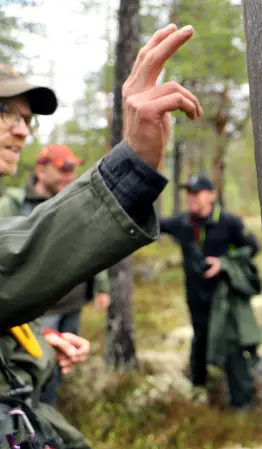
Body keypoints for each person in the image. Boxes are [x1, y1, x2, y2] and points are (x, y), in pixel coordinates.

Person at [0, 23, 202, 449]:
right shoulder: (13, 204)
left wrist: (37, 344)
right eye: (6, 112)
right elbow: (11, 264)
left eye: (26, 120)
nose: (22, 131)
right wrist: (130, 168)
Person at [0, 144, 112, 408]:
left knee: (62, 361)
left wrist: (102, 285)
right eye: (64, 169)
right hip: (35, 312)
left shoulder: (72, 204)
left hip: (72, 304)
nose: (70, 176)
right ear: (41, 170)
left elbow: (92, 245)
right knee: (33, 365)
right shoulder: (14, 206)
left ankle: (49, 411)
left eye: (73, 169)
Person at [159, 175, 262, 411]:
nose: (191, 198)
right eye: (188, 193)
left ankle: (242, 403)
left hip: (224, 300)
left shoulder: (229, 222)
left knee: (232, 346)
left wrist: (223, 263)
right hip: (196, 298)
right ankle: (199, 391)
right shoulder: (183, 223)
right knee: (200, 340)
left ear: (211, 195)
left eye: (196, 192)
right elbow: (155, 224)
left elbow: (252, 247)